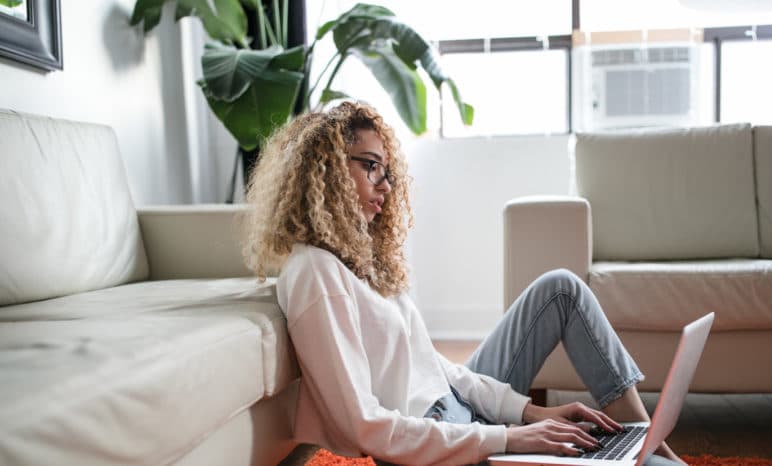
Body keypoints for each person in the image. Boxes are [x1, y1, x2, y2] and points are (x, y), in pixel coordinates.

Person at [243, 102, 685, 466]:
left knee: (561, 289)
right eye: (371, 167)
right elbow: (365, 426)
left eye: (388, 171)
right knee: (627, 464)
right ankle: (649, 454)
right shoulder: (315, 272)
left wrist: (528, 412)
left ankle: (645, 439)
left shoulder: (364, 263)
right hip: (439, 446)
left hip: (461, 416)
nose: (386, 185)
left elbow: (438, 369)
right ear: (326, 170)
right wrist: (507, 439)